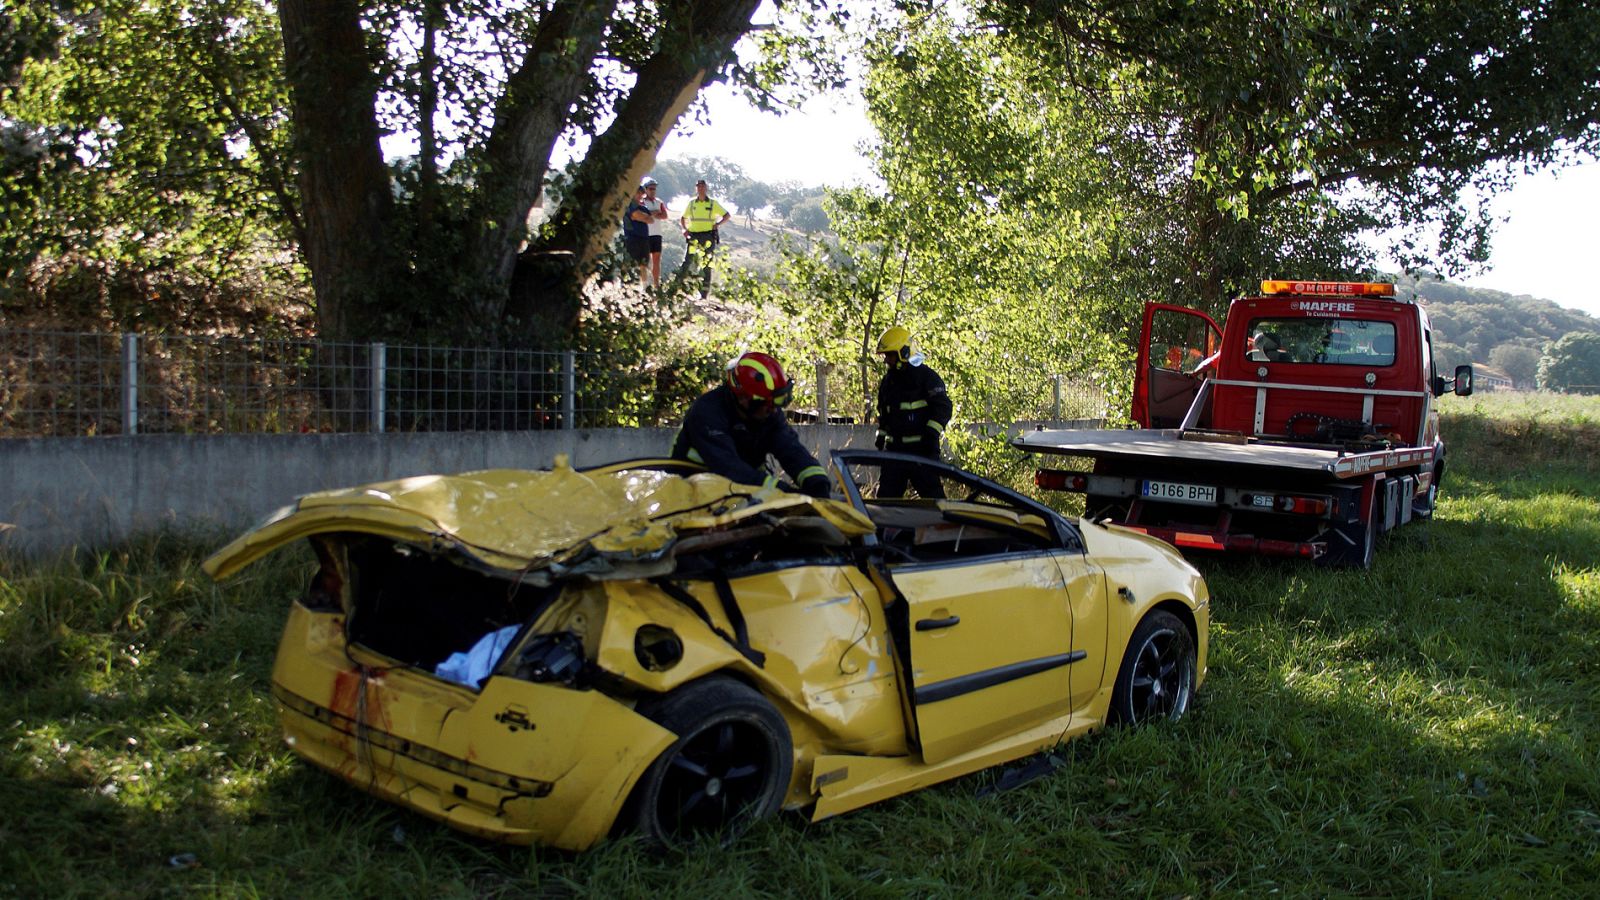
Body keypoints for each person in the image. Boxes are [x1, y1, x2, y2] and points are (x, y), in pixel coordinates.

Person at [671, 351, 833, 498]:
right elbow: (728, 468)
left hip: (739, 492)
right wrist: (783, 491)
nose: (773, 411)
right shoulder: (708, 412)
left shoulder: (768, 414)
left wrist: (817, 483)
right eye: (767, 404)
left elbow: (792, 450)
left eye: (775, 404)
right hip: (691, 492)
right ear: (744, 399)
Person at [873, 326, 952, 499]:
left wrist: (932, 433)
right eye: (886, 356)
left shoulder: (926, 377)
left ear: (904, 352)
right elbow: (885, 413)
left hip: (922, 452)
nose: (887, 360)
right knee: (886, 503)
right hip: (894, 453)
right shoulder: (888, 382)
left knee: (934, 502)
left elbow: (943, 407)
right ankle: (887, 528)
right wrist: (881, 436)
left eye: (890, 355)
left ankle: (944, 526)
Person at [678, 178, 731, 298]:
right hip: (694, 235)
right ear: (696, 188)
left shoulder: (713, 203)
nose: (700, 188)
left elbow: (727, 215)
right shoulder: (691, 203)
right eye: (698, 186)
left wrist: (717, 224)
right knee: (687, 261)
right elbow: (682, 218)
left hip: (708, 236)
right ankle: (677, 286)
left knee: (706, 264)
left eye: (702, 186)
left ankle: (704, 294)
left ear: (706, 188)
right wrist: (684, 229)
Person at [638, 175, 670, 286]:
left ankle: (656, 284)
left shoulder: (659, 202)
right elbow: (642, 216)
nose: (653, 191)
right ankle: (644, 284)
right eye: (650, 189)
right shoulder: (641, 202)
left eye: (654, 189)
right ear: (645, 189)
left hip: (657, 234)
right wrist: (654, 213)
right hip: (645, 234)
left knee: (656, 260)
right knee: (644, 261)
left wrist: (652, 214)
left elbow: (665, 215)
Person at [623, 186, 652, 282]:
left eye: (641, 193)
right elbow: (635, 215)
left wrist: (642, 216)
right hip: (631, 238)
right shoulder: (628, 206)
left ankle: (644, 287)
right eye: (637, 193)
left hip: (643, 239)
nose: (640, 195)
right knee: (628, 263)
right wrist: (644, 217)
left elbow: (651, 220)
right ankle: (624, 283)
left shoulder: (644, 208)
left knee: (643, 265)